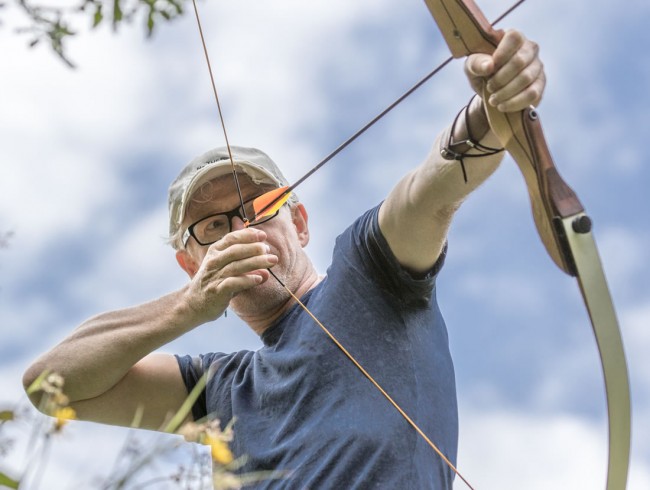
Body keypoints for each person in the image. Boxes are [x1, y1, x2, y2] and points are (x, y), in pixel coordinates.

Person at [24, 30, 545, 488]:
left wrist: (491, 113)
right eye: (213, 227)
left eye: (260, 208)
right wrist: (187, 308)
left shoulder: (370, 272)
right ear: (192, 264)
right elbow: (49, 386)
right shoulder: (219, 390)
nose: (241, 230)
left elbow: (426, 192)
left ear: (298, 223)